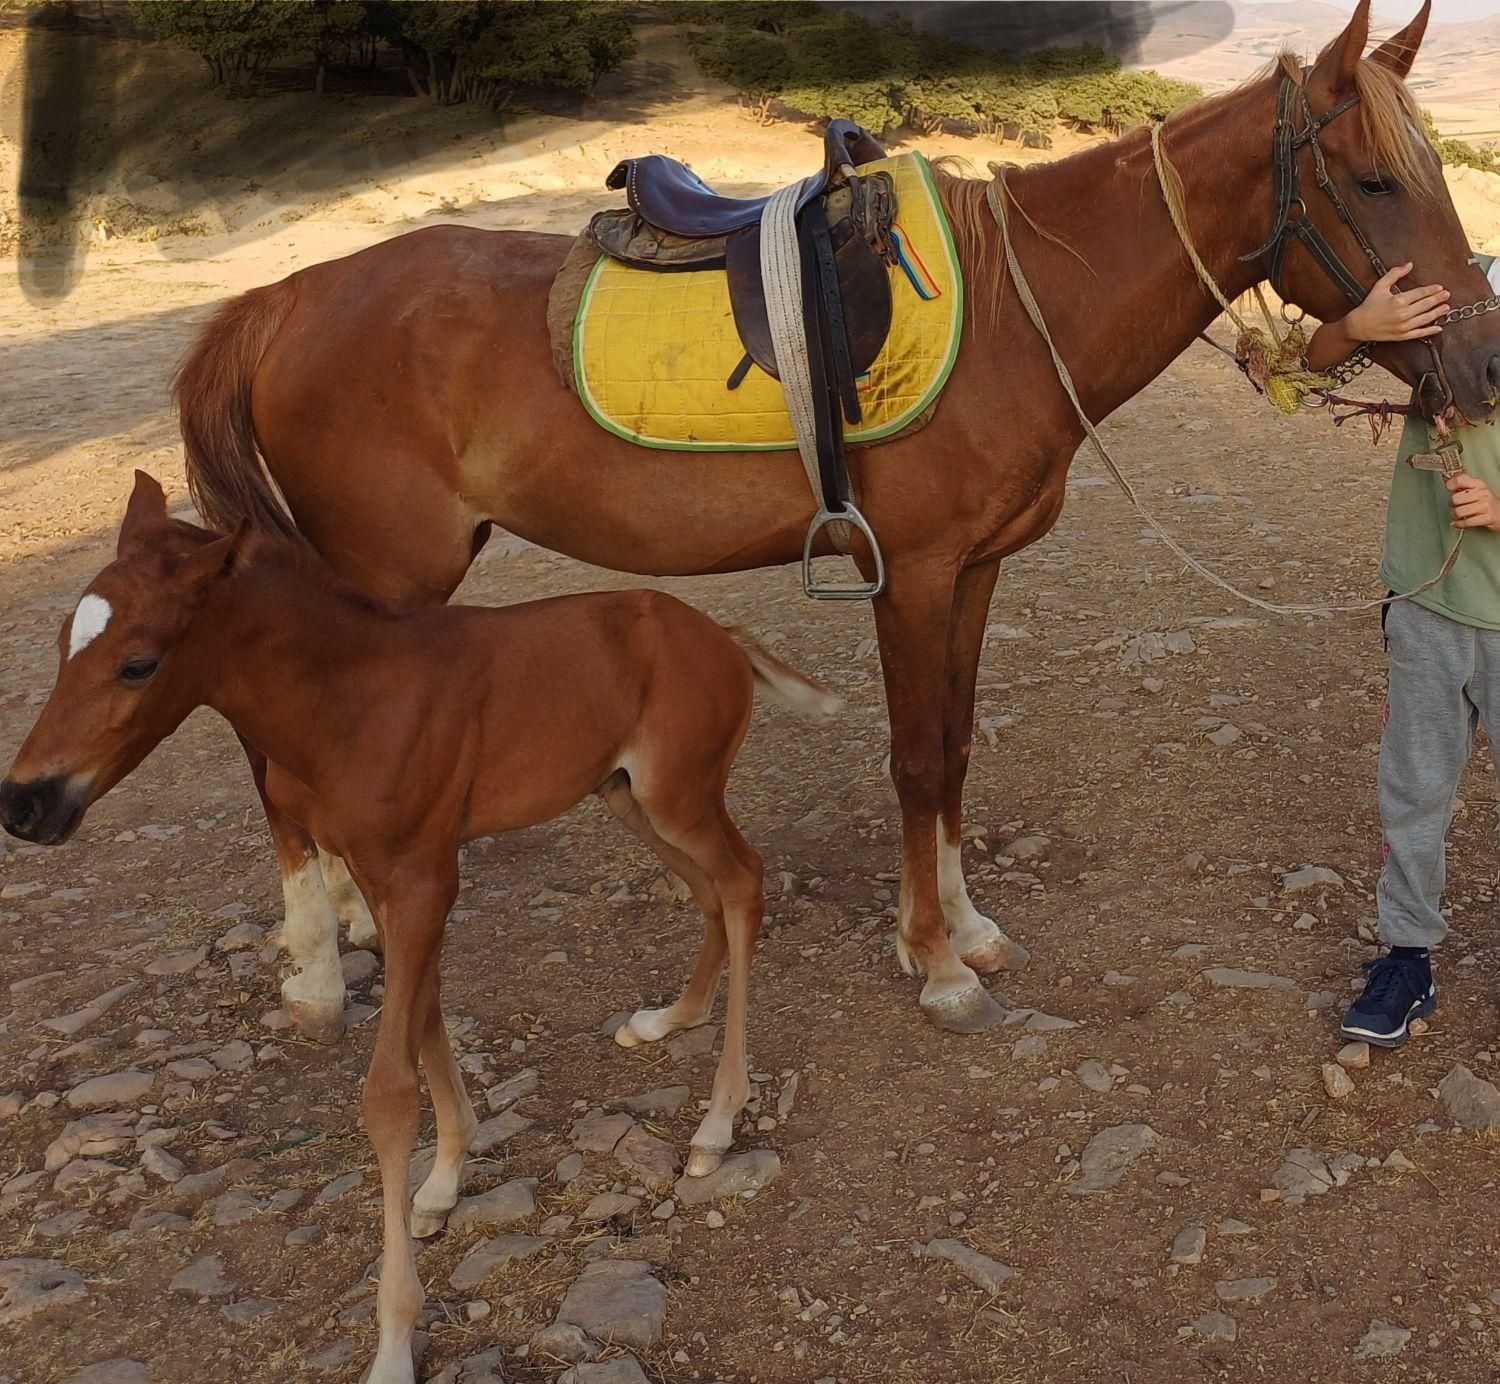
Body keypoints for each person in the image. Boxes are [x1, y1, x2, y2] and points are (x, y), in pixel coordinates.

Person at [1302, 253, 1500, 1047]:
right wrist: (1356, 326)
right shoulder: (1453, 295)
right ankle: (1408, 958)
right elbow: (1300, 371)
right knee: (1414, 791)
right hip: (1427, 601)